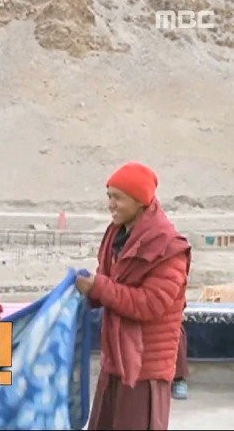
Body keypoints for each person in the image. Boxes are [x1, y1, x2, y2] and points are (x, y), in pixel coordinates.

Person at [75, 161, 191, 430]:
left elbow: (150, 304)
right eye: (109, 196)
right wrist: (86, 291)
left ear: (140, 201)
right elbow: (107, 279)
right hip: (115, 359)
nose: (110, 205)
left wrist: (98, 287)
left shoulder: (168, 247)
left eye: (118, 198)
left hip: (144, 367)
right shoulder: (117, 235)